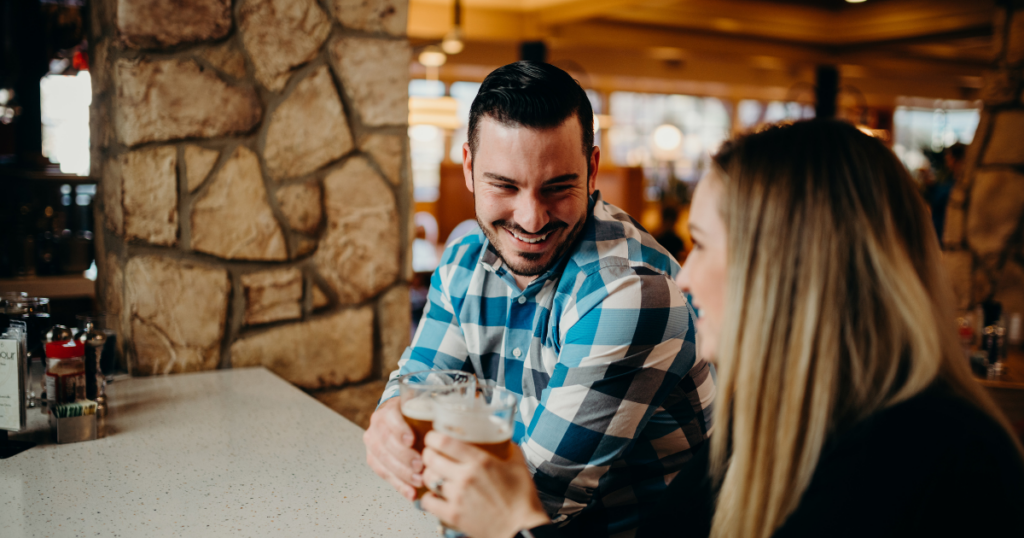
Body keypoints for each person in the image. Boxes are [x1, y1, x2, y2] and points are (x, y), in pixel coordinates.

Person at [416, 120, 1024, 538]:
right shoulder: (771, 426)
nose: (683, 279)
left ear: (789, 269)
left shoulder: (955, 466)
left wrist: (518, 524)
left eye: (701, 246)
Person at [363, 61, 714, 537]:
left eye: (557, 187)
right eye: (504, 185)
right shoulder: (466, 258)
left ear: (591, 170)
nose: (531, 219)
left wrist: (424, 443)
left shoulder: (633, 292)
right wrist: (389, 418)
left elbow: (532, 494)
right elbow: (421, 385)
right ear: (469, 168)